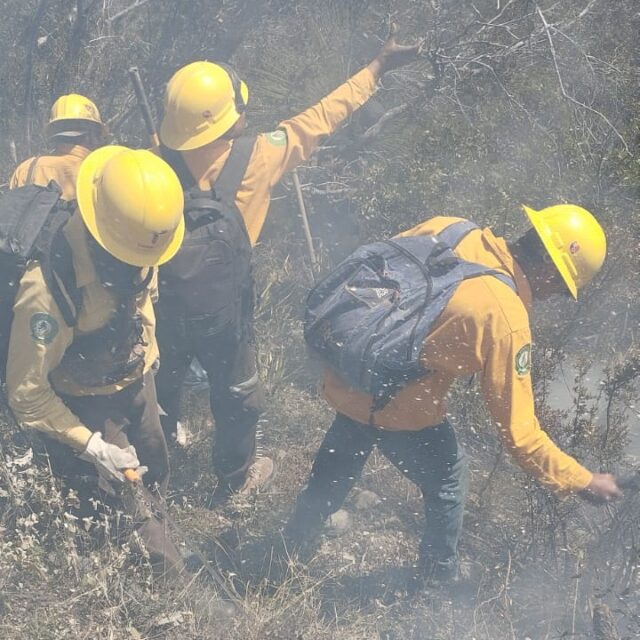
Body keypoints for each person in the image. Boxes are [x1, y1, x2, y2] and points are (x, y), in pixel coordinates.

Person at [284, 205, 623, 583]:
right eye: (561, 288)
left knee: (341, 454)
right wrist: (581, 480)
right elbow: (521, 435)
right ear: (548, 268)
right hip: (393, 408)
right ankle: (436, 580)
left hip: (348, 373)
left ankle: (288, 548)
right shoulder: (505, 319)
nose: (553, 297)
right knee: (449, 477)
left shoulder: (451, 229)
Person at [154, 27, 424, 494]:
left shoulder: (150, 161)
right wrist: (377, 67)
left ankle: (153, 469)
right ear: (230, 119)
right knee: (237, 394)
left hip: (163, 303)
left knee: (160, 384)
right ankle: (235, 480)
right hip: (225, 311)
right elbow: (321, 117)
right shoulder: (260, 155)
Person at [6, 146, 186, 578]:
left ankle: (158, 525)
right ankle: (174, 583)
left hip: (135, 377)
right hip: (87, 398)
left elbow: (144, 299)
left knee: (155, 464)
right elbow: (27, 392)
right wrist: (93, 446)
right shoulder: (47, 290)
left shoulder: (139, 238)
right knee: (130, 496)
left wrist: (150, 366)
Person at [10, 94, 107, 200]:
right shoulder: (101, 175)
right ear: (90, 136)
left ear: (53, 131)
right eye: (99, 135)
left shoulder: (26, 169)